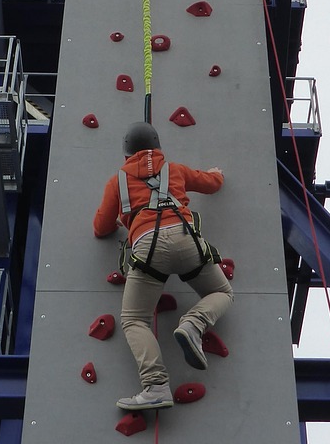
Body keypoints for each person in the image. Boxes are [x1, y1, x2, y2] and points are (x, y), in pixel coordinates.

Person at [93, 121, 233, 411]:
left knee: (134, 320)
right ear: (158, 149)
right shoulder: (175, 169)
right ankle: (194, 324)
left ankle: (156, 386)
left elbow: (101, 227)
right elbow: (211, 183)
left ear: (126, 155)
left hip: (147, 247)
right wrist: (217, 175)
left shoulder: (117, 180)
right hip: (185, 238)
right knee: (222, 292)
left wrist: (124, 219)